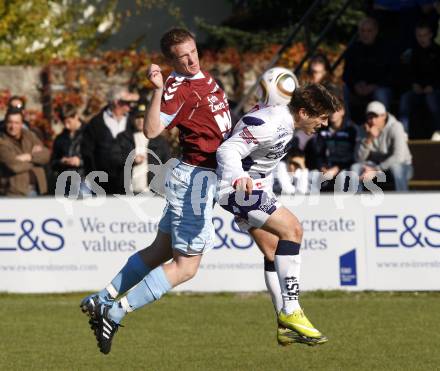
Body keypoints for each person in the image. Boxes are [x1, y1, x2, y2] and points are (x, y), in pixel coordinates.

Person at [80, 28, 232, 354]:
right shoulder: (176, 87)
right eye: (182, 57)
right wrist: (158, 90)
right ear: (171, 61)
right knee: (186, 267)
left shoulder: (204, 77)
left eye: (193, 52)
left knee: (158, 252)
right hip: (195, 181)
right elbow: (151, 130)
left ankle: (102, 298)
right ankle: (115, 311)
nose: (191, 59)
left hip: (194, 177)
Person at [216, 84, 342, 346]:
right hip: (239, 187)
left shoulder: (282, 120)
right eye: (321, 118)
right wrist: (239, 176)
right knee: (293, 230)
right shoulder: (273, 123)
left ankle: (284, 324)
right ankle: (292, 310)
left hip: (253, 186)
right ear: (304, 112)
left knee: (273, 250)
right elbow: (227, 150)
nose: (324, 124)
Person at [81, 87, 139, 195]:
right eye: (127, 102)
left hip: (128, 183)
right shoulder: (95, 124)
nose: (130, 105)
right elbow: (87, 153)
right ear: (116, 102)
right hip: (101, 184)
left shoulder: (134, 122)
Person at [351, 101, 413, 191]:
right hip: (375, 165)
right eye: (370, 117)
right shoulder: (363, 129)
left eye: (376, 117)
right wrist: (369, 139)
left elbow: (398, 157)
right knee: (355, 167)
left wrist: (376, 170)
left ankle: (402, 200)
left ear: (384, 116)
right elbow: (358, 158)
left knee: (397, 168)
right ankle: (355, 202)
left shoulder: (396, 127)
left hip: (402, 167)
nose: (372, 121)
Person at [343, 17, 394, 122]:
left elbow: (391, 74)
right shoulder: (353, 49)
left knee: (381, 93)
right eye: (362, 30)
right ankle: (345, 124)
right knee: (343, 90)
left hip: (379, 86)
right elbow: (347, 74)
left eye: (369, 31)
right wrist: (355, 85)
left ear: (376, 31)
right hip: (358, 87)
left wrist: (374, 86)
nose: (365, 34)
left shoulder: (386, 49)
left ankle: (383, 125)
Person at [113, 102, 171, 193]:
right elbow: (112, 160)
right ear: (132, 119)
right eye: (137, 117)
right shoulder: (122, 138)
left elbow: (167, 164)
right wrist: (131, 160)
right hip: (127, 192)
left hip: (153, 193)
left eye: (143, 117)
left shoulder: (159, 141)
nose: (140, 120)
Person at [305, 103, 358, 192]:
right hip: (327, 167)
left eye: (336, 110)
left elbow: (354, 155)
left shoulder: (351, 130)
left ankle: (343, 205)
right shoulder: (322, 130)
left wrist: (338, 168)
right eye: (331, 111)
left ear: (342, 112)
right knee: (310, 176)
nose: (333, 113)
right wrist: (321, 167)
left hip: (345, 167)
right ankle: (312, 204)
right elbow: (318, 153)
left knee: (342, 177)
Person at [399, 20, 440, 134]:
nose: (422, 38)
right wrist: (413, 84)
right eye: (419, 35)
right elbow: (406, 73)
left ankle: (438, 131)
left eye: (424, 35)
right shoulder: (411, 53)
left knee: (432, 100)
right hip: (415, 90)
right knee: (405, 100)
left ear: (431, 35)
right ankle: (403, 133)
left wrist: (433, 86)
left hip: (433, 90)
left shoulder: (438, 52)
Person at [0, 108, 50, 196]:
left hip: (39, 190)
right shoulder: (2, 141)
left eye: (16, 123)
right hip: (15, 193)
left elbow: (46, 155)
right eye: (10, 122)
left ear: (21, 124)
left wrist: (29, 157)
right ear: (5, 123)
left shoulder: (29, 135)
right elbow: (14, 166)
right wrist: (36, 161)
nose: (13, 126)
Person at [51, 103, 89, 197]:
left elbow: (98, 157)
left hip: (85, 180)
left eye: (69, 122)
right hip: (65, 182)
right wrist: (62, 161)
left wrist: (80, 162)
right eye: (64, 123)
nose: (67, 126)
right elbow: (53, 162)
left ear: (76, 116)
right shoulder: (60, 138)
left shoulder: (89, 134)